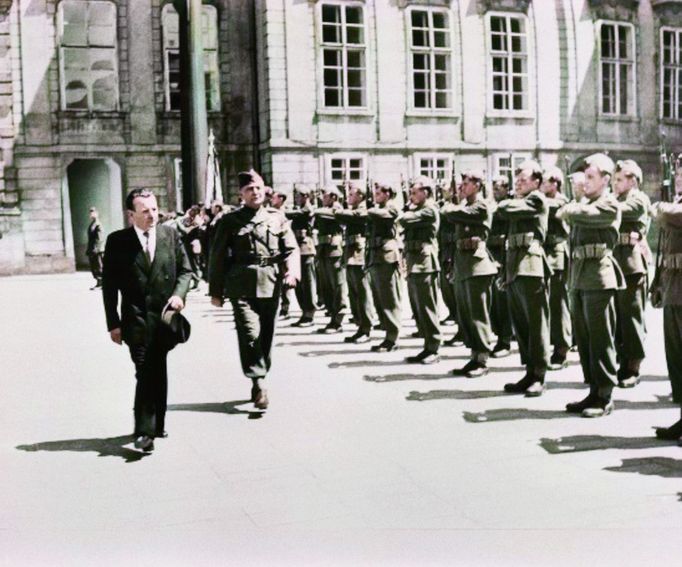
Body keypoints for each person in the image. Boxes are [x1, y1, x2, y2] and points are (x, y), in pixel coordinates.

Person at [102, 188, 192, 452]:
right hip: (136, 319)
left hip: (165, 318)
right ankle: (144, 431)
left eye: (154, 209)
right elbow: (109, 287)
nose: (152, 215)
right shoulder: (117, 242)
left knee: (158, 367)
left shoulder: (170, 234)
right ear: (131, 215)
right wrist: (113, 323)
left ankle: (158, 422)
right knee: (145, 371)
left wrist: (179, 295)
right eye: (145, 211)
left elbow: (186, 270)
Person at [209, 170, 300, 409]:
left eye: (259, 188)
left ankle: (260, 375)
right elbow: (217, 256)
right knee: (250, 335)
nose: (255, 192)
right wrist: (216, 291)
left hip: (271, 283)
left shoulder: (277, 217)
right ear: (241, 194)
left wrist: (291, 271)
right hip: (241, 285)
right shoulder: (230, 221)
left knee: (266, 335)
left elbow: (291, 249)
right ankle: (259, 382)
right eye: (250, 189)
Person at [556, 153, 624, 417]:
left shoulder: (609, 205)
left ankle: (605, 395)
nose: (585, 182)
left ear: (606, 179)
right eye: (584, 177)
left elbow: (584, 214)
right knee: (584, 340)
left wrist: (571, 208)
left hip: (599, 277)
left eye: (590, 177)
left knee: (600, 338)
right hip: (581, 276)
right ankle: (593, 390)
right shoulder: (584, 204)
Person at [497, 160, 551, 397]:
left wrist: (506, 201)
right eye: (516, 180)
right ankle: (529, 371)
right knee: (522, 325)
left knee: (536, 324)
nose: (518, 183)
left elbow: (506, 209)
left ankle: (539, 374)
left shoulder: (536, 199)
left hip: (531, 265)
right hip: (516, 265)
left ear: (537, 182)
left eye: (523, 180)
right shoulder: (519, 200)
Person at [442, 170, 498, 377]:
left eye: (465, 184)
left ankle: (482, 359)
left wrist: (449, 202)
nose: (461, 187)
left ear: (477, 185)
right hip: (464, 264)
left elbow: (452, 214)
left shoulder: (480, 205)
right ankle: (474, 356)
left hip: (478, 265)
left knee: (478, 313)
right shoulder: (465, 206)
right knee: (466, 314)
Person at [612, 159, 652, 388]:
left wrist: (599, 206)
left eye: (619, 180)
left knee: (632, 316)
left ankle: (633, 365)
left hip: (632, 263)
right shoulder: (616, 200)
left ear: (633, 180)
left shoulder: (638, 199)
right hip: (617, 262)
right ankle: (622, 361)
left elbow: (626, 212)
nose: (615, 184)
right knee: (618, 317)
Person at [652, 156, 682, 441]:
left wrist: (660, 207)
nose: (680, 178)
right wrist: (658, 283)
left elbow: (669, 214)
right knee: (677, 358)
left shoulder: (673, 208)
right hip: (674, 287)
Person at [399, 176, 441, 364]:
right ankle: (427, 346)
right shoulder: (418, 209)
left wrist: (406, 208)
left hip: (425, 262)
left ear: (426, 192)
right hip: (415, 260)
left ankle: (433, 347)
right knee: (418, 307)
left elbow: (404, 219)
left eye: (415, 192)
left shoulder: (429, 209)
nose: (411, 196)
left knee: (427, 306)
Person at [336, 184, 377, 343]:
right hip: (351, 255)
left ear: (361, 196)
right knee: (354, 294)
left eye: (351, 194)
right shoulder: (353, 210)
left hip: (360, 256)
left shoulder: (364, 210)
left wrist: (337, 211)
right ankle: (360, 326)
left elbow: (352, 216)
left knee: (363, 293)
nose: (348, 197)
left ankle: (366, 328)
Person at [541, 166, 572, 369]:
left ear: (555, 184)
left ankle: (562, 348)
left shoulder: (560, 202)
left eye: (544, 182)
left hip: (557, 253)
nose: (542, 186)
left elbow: (550, 208)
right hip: (546, 252)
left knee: (558, 302)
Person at [367, 182, 403, 352]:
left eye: (379, 193)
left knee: (389, 299)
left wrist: (366, 209)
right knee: (380, 298)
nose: (376, 195)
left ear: (388, 194)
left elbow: (378, 214)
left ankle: (392, 337)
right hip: (376, 255)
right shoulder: (377, 208)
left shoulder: (391, 208)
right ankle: (387, 333)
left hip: (387, 257)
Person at [314, 185, 348, 333]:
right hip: (323, 250)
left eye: (325, 196)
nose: (323, 198)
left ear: (334, 197)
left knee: (337, 286)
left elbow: (323, 214)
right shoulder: (323, 211)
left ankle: (338, 319)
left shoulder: (338, 210)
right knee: (326, 286)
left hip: (335, 251)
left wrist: (314, 210)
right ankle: (332, 317)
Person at [488, 175, 513, 357]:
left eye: (498, 189)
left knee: (503, 302)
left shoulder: (511, 207)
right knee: (495, 303)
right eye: (494, 189)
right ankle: (500, 336)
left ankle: (505, 340)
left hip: (506, 257)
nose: (495, 192)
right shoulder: (493, 206)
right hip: (492, 256)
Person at [286, 186, 317, 327]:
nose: (297, 199)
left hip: (306, 248)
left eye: (298, 196)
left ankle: (309, 313)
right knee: (299, 283)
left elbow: (294, 214)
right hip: (297, 248)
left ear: (306, 196)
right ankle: (304, 311)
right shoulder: (300, 209)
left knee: (308, 283)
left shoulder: (307, 209)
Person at [270, 188, 294, 319]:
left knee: (286, 281)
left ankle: (285, 308)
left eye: (274, 197)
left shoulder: (286, 212)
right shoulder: (271, 212)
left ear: (281, 199)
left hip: (285, 249)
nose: (272, 200)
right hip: (276, 250)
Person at [86, 207, 104, 289]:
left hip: (97, 250)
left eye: (93, 212)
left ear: (97, 213)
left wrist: (96, 249)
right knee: (93, 266)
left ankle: (101, 283)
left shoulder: (98, 224)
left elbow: (99, 238)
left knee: (98, 266)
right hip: (92, 249)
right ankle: (98, 282)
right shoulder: (92, 224)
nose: (91, 214)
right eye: (90, 212)